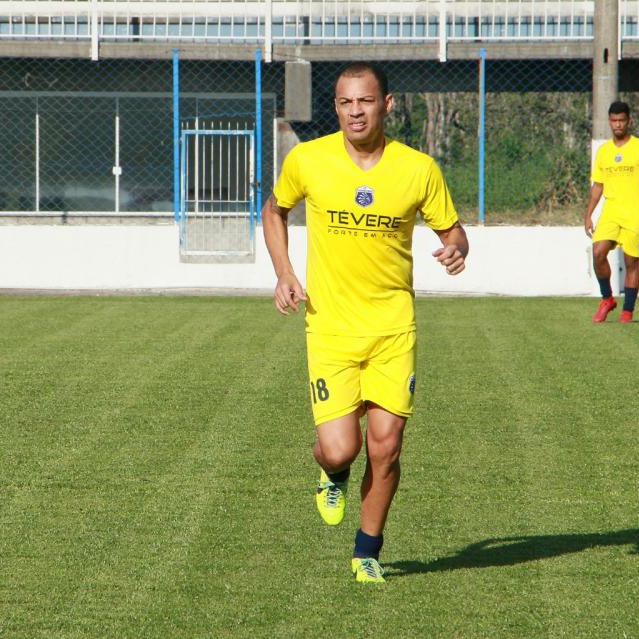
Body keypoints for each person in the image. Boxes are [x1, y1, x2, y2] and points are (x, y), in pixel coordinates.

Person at [261, 62, 469, 582]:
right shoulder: (308, 159)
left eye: (366, 101)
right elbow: (274, 210)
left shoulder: (418, 169)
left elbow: (454, 230)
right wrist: (285, 272)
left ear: (387, 104)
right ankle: (332, 472)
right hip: (329, 326)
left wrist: (456, 248)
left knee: (386, 445)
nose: (356, 111)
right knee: (341, 447)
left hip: (393, 328)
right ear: (336, 107)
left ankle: (367, 551)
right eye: (346, 102)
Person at [584, 101, 639, 323]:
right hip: (611, 212)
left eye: (621, 120)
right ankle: (607, 298)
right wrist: (588, 214)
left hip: (635, 214)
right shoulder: (604, 151)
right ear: (609, 122)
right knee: (598, 251)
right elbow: (597, 185)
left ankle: (627, 311)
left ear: (629, 121)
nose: (618, 125)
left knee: (631, 262)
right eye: (614, 121)